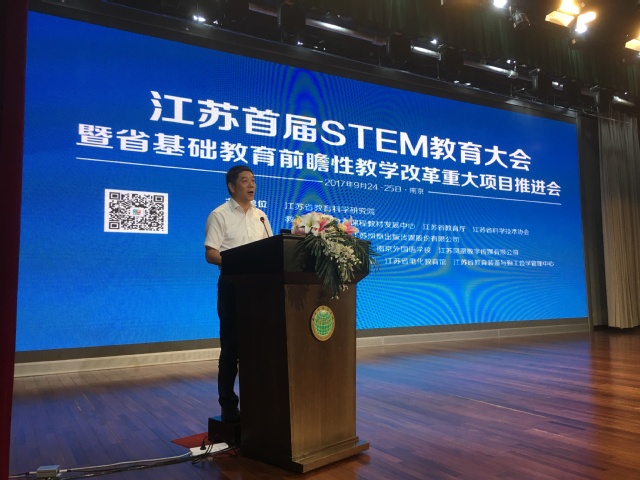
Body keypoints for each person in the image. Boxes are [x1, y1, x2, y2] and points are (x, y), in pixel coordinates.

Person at [204, 165, 272, 423]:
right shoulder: (219, 215)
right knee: (231, 348)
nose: (251, 185)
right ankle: (228, 405)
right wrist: (239, 262)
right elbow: (211, 253)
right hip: (232, 286)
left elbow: (270, 250)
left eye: (253, 180)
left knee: (258, 347)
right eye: (245, 181)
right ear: (232, 187)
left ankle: (258, 400)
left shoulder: (261, 217)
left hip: (259, 289)